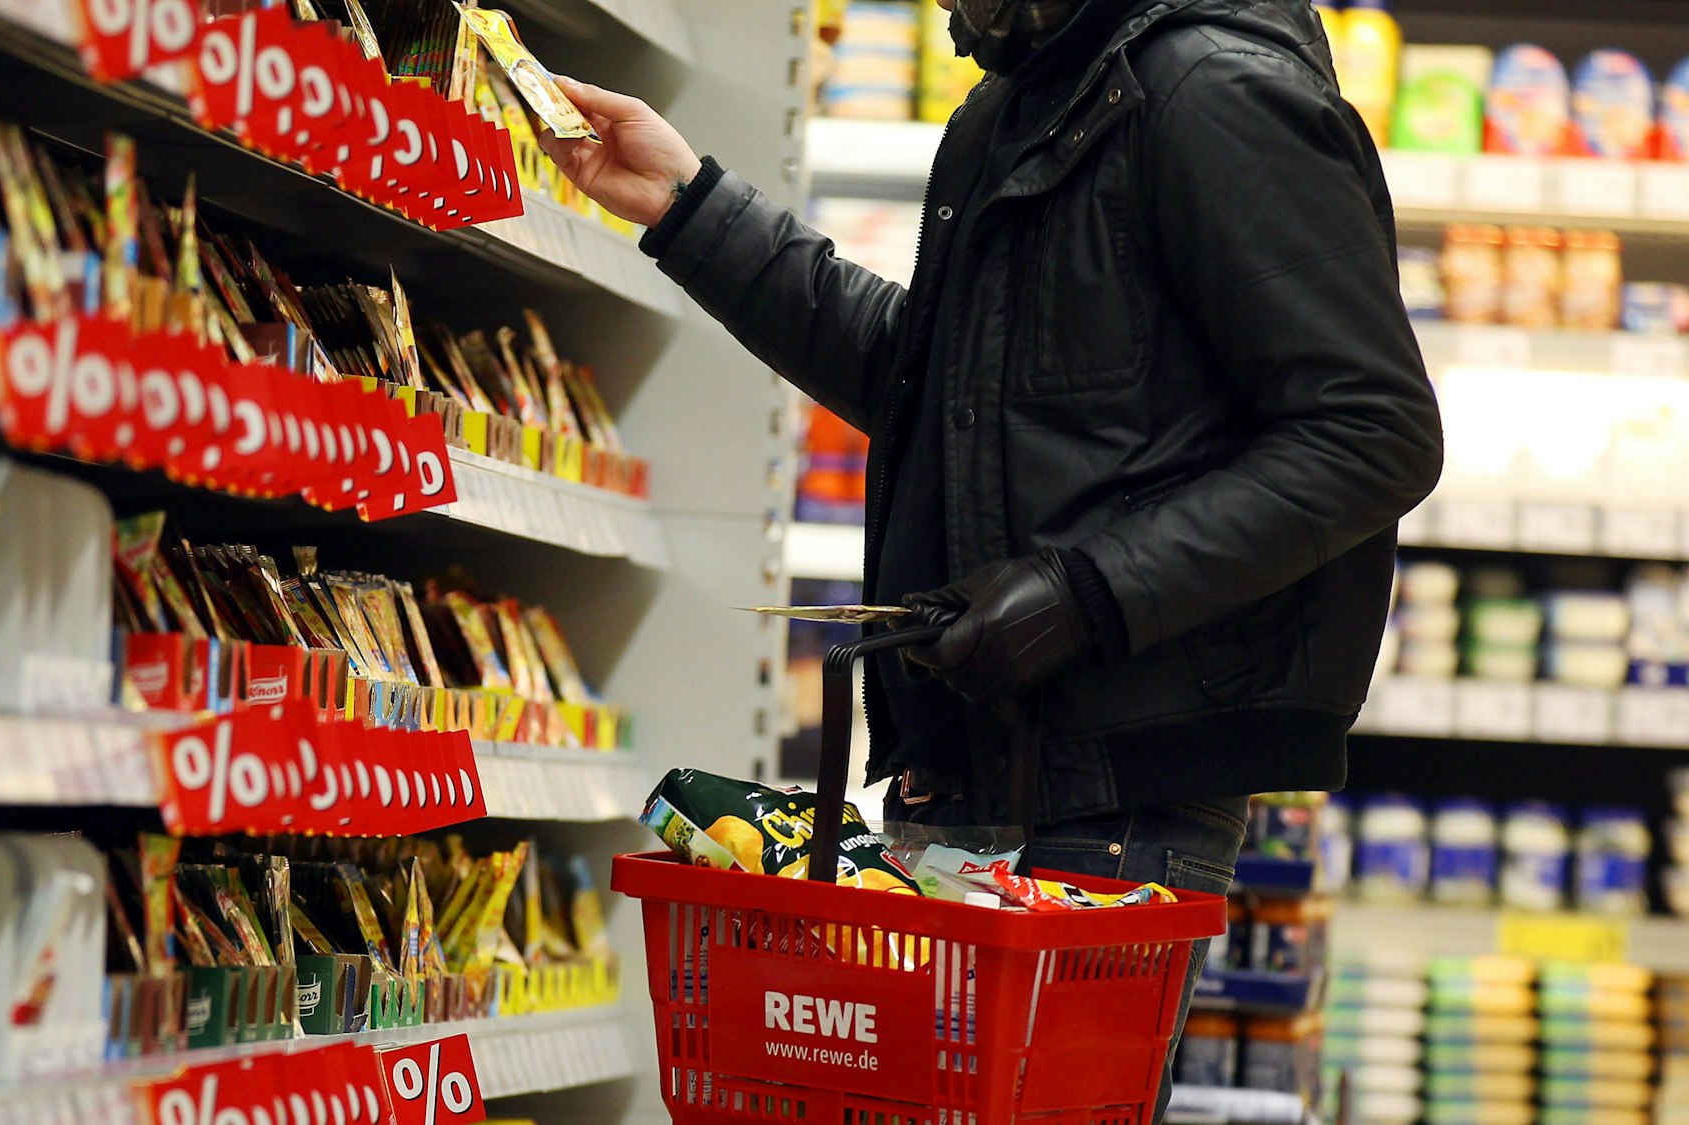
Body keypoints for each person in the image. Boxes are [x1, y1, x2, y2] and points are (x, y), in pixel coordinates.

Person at [541, 0, 1443, 1110]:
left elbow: (1371, 430)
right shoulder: (1015, 106)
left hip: (1116, 795)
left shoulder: (1211, 93)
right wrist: (688, 208)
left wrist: (1082, 594)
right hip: (971, 766)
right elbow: (929, 392)